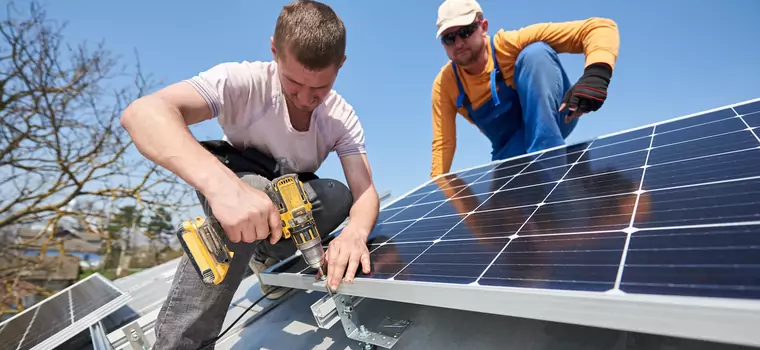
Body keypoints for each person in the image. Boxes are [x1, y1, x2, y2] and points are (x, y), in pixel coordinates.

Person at [119, 1, 379, 348]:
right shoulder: (241, 81)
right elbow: (142, 113)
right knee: (257, 188)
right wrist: (223, 188)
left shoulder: (340, 116)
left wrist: (356, 234)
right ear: (274, 49)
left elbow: (364, 192)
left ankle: (264, 255)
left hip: (291, 203)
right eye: (293, 82)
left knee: (338, 194)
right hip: (234, 184)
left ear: (340, 66)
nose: (304, 98)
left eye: (319, 89)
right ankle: (180, 343)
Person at [430, 0, 621, 179]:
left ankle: (550, 167)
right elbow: (443, 145)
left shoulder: (509, 44)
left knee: (535, 53)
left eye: (465, 32)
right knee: (508, 200)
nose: (459, 43)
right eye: (449, 38)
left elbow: (599, 27)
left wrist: (596, 74)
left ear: (483, 27)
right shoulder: (445, 85)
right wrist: (433, 192)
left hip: (556, 115)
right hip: (510, 147)